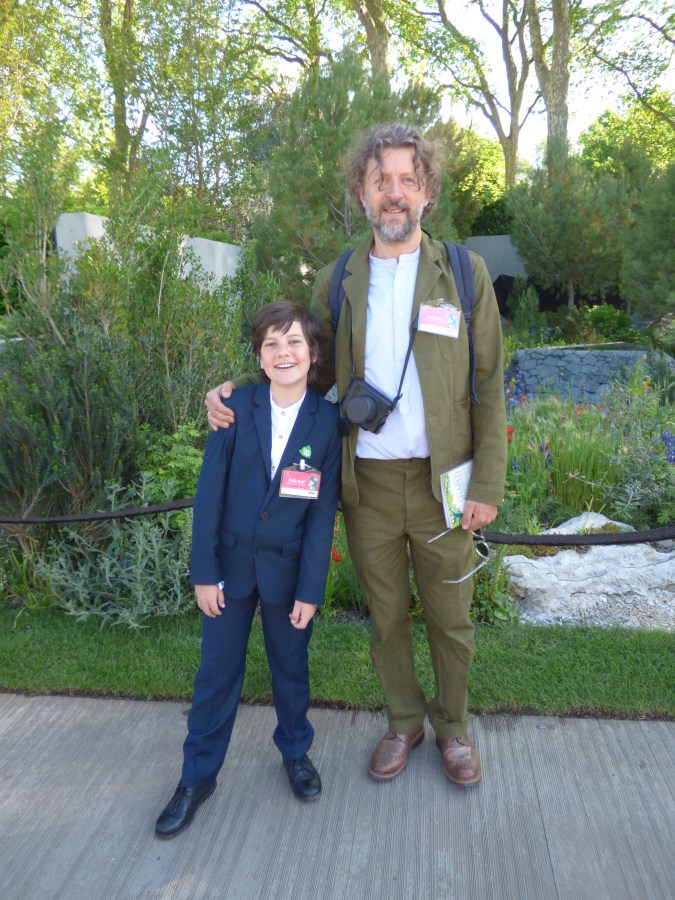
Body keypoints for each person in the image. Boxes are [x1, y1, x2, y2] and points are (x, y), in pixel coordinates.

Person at [205, 124, 506, 788]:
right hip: (366, 484)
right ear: (362, 194)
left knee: (451, 619)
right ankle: (403, 721)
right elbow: (306, 371)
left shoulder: (463, 273)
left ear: (426, 192)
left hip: (444, 484)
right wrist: (238, 392)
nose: (393, 193)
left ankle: (453, 728)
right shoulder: (340, 279)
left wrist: (487, 482)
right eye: (380, 181)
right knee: (387, 617)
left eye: (406, 180)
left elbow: (487, 383)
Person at [155, 301, 341, 839]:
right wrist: (203, 572)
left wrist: (311, 588)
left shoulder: (328, 423)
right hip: (229, 571)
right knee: (216, 674)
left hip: (289, 573)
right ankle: (196, 778)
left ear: (313, 353)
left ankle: (296, 753)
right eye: (271, 344)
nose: (284, 353)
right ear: (259, 357)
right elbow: (209, 494)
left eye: (295, 342)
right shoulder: (234, 408)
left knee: (291, 668)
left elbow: (322, 513)